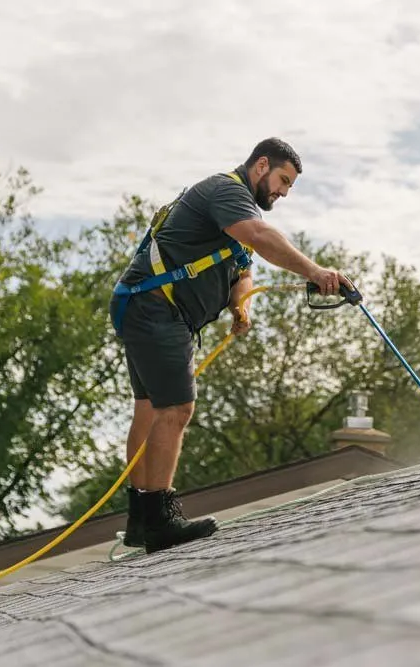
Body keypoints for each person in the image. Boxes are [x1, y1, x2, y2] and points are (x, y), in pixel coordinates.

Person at [108, 137, 353, 554]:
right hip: (155, 307)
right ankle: (160, 519)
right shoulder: (227, 192)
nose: (283, 192)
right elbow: (257, 236)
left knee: (149, 409)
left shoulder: (237, 209)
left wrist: (241, 307)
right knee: (177, 408)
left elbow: (243, 268)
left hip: (150, 309)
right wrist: (314, 270)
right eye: (282, 180)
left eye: (290, 186)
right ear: (261, 165)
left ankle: (140, 519)